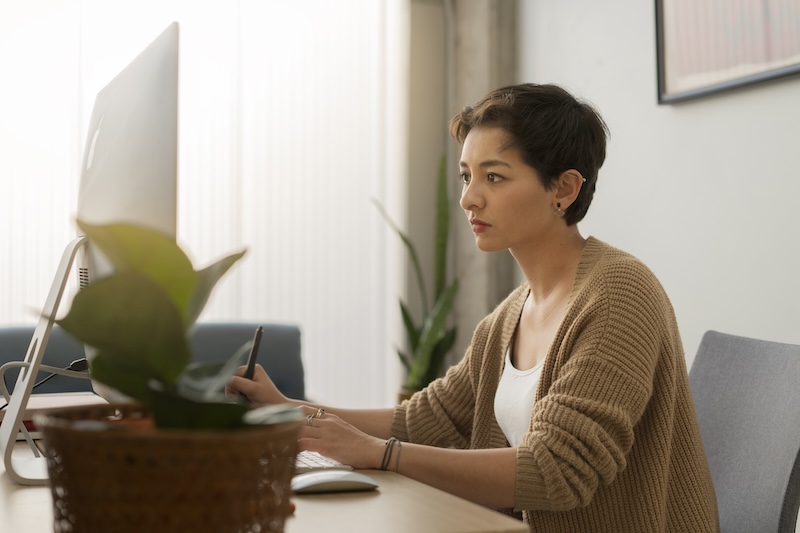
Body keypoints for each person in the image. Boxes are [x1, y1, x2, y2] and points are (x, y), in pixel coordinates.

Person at [228, 83, 720, 532]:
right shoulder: (509, 315)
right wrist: (288, 411)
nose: (468, 198)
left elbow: (556, 472)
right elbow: (422, 420)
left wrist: (381, 455)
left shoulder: (619, 294)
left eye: (494, 177)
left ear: (564, 189)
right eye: (466, 176)